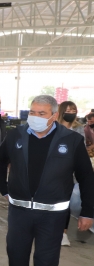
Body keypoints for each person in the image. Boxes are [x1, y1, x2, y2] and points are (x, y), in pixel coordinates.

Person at [0, 95, 94, 266]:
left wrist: (88, 211)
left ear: (53, 115)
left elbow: (86, 177)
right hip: (20, 211)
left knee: (46, 262)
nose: (35, 117)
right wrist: (3, 188)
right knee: (16, 253)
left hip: (52, 216)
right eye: (32, 112)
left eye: (41, 113)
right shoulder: (16, 135)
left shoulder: (71, 140)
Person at [57, 101, 84, 246]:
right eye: (68, 110)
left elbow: (81, 151)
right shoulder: (53, 127)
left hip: (70, 172)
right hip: (55, 170)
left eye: (74, 110)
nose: (71, 112)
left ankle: (63, 232)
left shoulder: (78, 129)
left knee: (65, 203)